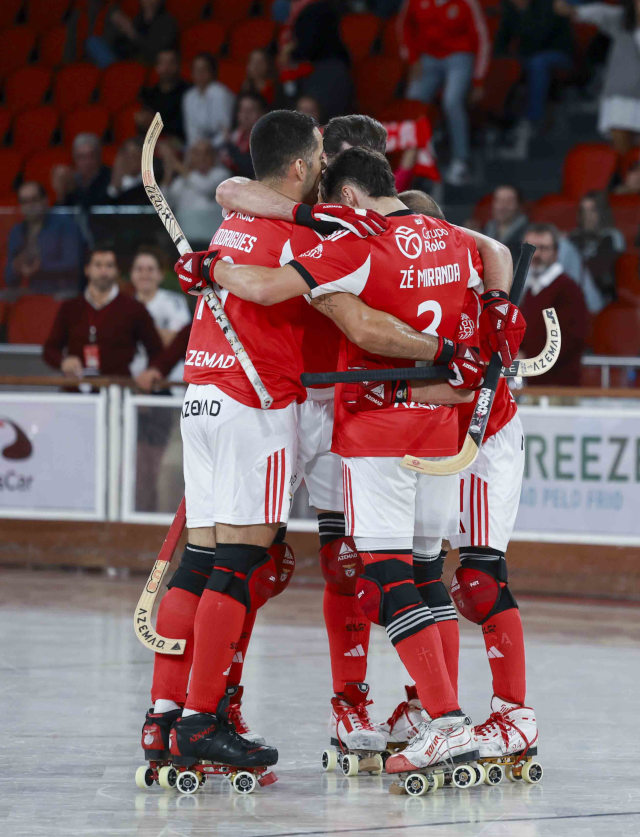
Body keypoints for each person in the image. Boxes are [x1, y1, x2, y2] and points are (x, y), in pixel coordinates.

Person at [145, 111, 488, 779]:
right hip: (275, 397)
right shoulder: (323, 225)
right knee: (253, 564)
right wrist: (449, 350)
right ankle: (205, 715)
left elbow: (231, 193)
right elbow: (326, 297)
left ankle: (176, 713)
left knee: (284, 562)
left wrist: (212, 263)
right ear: (311, 166)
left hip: (235, 393)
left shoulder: (291, 217)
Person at [208, 148, 524, 777]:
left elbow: (282, 291)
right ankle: (421, 712)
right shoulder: (444, 236)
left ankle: (443, 721)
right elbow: (498, 253)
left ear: (346, 197)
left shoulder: (355, 242)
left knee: (381, 574)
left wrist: (214, 267)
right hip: (439, 429)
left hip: (376, 424)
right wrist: (490, 310)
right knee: (429, 571)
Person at [378, 188, 539, 772]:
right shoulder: (416, 285)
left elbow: (493, 361)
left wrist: (501, 323)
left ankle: (515, 715)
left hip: (487, 437)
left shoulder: (468, 272)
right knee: (428, 577)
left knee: (478, 579)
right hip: (449, 437)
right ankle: (429, 706)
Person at [398, 0, 490, 185]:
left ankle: (461, 161)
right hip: (427, 58)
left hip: (459, 56)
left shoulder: (467, 3)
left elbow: (482, 39)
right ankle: (408, 161)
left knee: (452, 101)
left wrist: (478, 80)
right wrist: (412, 58)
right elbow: (403, 27)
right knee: (412, 102)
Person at [129, 247, 191, 512]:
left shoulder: (173, 302)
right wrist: (158, 334)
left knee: (168, 465)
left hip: (169, 394)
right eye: (139, 269)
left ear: (159, 274)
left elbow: (179, 343)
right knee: (135, 464)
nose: (144, 274)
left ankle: (162, 519)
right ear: (131, 275)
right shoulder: (125, 305)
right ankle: (138, 514)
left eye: (150, 269)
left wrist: (140, 333)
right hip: (133, 392)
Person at [43, 243, 163, 379]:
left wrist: (149, 375)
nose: (103, 271)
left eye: (109, 266)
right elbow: (50, 350)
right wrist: (63, 362)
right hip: (75, 390)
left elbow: (156, 351)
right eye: (98, 265)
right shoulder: (70, 307)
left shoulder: (134, 308)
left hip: (118, 390)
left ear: (117, 271)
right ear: (87, 269)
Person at [555, 0, 640, 155]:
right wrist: (571, 9)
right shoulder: (620, 20)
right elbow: (596, 12)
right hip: (621, 96)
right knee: (623, 153)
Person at [494, 0, 574, 158]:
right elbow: (501, 39)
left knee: (537, 63)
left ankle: (533, 119)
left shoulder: (546, 5)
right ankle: (502, 121)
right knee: (507, 66)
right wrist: (500, 58)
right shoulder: (510, 9)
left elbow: (540, 35)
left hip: (558, 53)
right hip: (529, 56)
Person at [520, 224, 589, 386]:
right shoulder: (530, 289)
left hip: (559, 388)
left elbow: (571, 340)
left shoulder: (568, 289)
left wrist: (527, 359)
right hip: (532, 384)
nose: (536, 255)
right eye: (531, 248)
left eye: (543, 248)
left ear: (556, 252)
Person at [4, 182, 85, 298]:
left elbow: (74, 264)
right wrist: (16, 267)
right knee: (4, 296)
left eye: (34, 199)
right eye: (24, 201)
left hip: (62, 290)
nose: (30, 205)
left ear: (45, 200)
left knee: (63, 296)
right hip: (32, 290)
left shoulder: (66, 224)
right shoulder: (17, 231)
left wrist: (41, 268)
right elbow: (8, 277)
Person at [161, 140, 230, 247]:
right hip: (186, 244)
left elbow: (207, 188)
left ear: (213, 156)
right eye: (197, 153)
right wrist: (168, 175)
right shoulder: (181, 181)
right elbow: (163, 204)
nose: (202, 157)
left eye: (206, 153)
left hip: (214, 243)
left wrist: (179, 166)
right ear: (190, 156)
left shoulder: (222, 175)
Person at [569, 191, 625, 307]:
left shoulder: (612, 236)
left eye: (592, 211)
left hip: (599, 294)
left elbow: (601, 270)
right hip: (572, 290)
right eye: (583, 211)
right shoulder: (574, 236)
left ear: (602, 213)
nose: (587, 217)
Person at [87, 0, 178, 68]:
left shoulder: (167, 22)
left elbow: (155, 52)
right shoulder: (138, 19)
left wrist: (131, 33)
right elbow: (124, 46)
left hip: (148, 63)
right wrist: (120, 28)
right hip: (127, 59)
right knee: (93, 42)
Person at [182, 53, 235, 150]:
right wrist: (197, 148)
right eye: (196, 70)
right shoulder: (189, 96)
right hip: (197, 149)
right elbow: (191, 131)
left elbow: (226, 131)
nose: (199, 74)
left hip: (221, 147)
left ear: (212, 72)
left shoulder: (221, 94)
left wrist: (209, 146)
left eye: (203, 70)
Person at [138, 49, 189, 142]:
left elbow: (185, 126)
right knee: (130, 147)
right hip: (152, 139)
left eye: (171, 63)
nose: (166, 68)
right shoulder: (150, 94)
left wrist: (155, 124)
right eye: (162, 63)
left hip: (180, 141)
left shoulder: (188, 93)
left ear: (178, 66)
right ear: (157, 67)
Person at [219, 92, 269, 179]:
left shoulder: (267, 139)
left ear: (262, 114)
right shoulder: (236, 135)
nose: (245, 115)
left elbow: (249, 168)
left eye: (250, 111)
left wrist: (230, 146)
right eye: (242, 110)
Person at [58, 134, 111, 210]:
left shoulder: (111, 178)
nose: (86, 162)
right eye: (81, 157)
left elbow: (94, 207)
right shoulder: (72, 180)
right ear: (74, 159)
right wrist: (61, 194)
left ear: (99, 156)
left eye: (91, 156)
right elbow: (62, 214)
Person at [107, 138, 148, 205]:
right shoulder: (107, 178)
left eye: (135, 156)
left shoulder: (151, 181)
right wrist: (116, 183)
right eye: (127, 155)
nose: (131, 160)